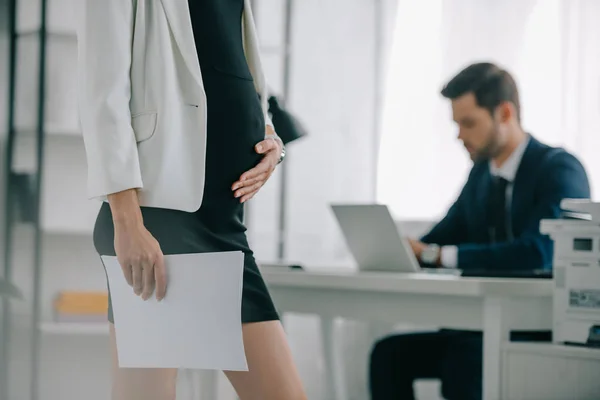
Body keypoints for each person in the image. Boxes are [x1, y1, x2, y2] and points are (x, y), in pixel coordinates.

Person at [77, 1, 307, 399]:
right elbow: (102, 98)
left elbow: (234, 65)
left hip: (222, 219)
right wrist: (129, 224)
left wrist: (270, 136)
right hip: (159, 219)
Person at [369, 62, 590, 400]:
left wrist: (433, 255)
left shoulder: (559, 169)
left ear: (504, 113)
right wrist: (399, 249)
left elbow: (541, 253)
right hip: (479, 323)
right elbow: (443, 235)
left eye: (468, 123)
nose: (459, 135)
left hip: (533, 327)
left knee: (464, 360)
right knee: (388, 356)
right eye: (457, 124)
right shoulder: (481, 176)